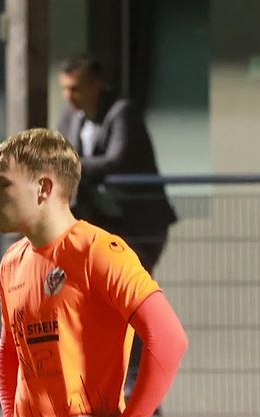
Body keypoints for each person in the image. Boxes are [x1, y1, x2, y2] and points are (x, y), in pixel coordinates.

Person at [0, 128, 187, 417]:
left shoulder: (100, 252)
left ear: (44, 188)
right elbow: (10, 350)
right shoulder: (11, 263)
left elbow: (169, 339)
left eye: (1, 184)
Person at [56, 53, 176, 273]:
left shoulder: (122, 111)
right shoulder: (70, 115)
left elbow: (115, 160)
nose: (68, 96)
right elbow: (58, 152)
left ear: (95, 85)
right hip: (98, 219)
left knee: (128, 284)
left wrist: (71, 164)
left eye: (75, 89)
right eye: (64, 89)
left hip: (137, 222)